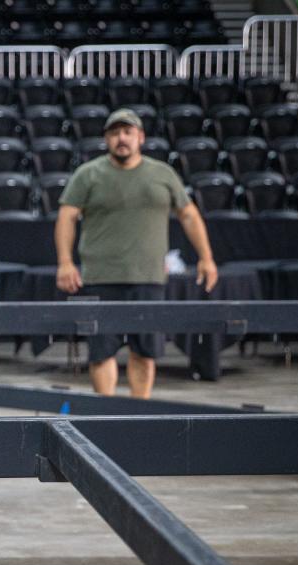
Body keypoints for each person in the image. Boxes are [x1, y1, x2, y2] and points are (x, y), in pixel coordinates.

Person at [55, 108, 219, 399]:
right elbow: (67, 217)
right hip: (100, 278)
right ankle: (104, 417)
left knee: (145, 352)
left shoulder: (162, 173)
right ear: (106, 138)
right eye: (115, 133)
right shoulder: (88, 174)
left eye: (128, 132)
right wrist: (66, 263)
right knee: (101, 354)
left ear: (140, 137)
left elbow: (189, 215)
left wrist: (206, 258)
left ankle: (138, 414)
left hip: (149, 278)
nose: (122, 138)